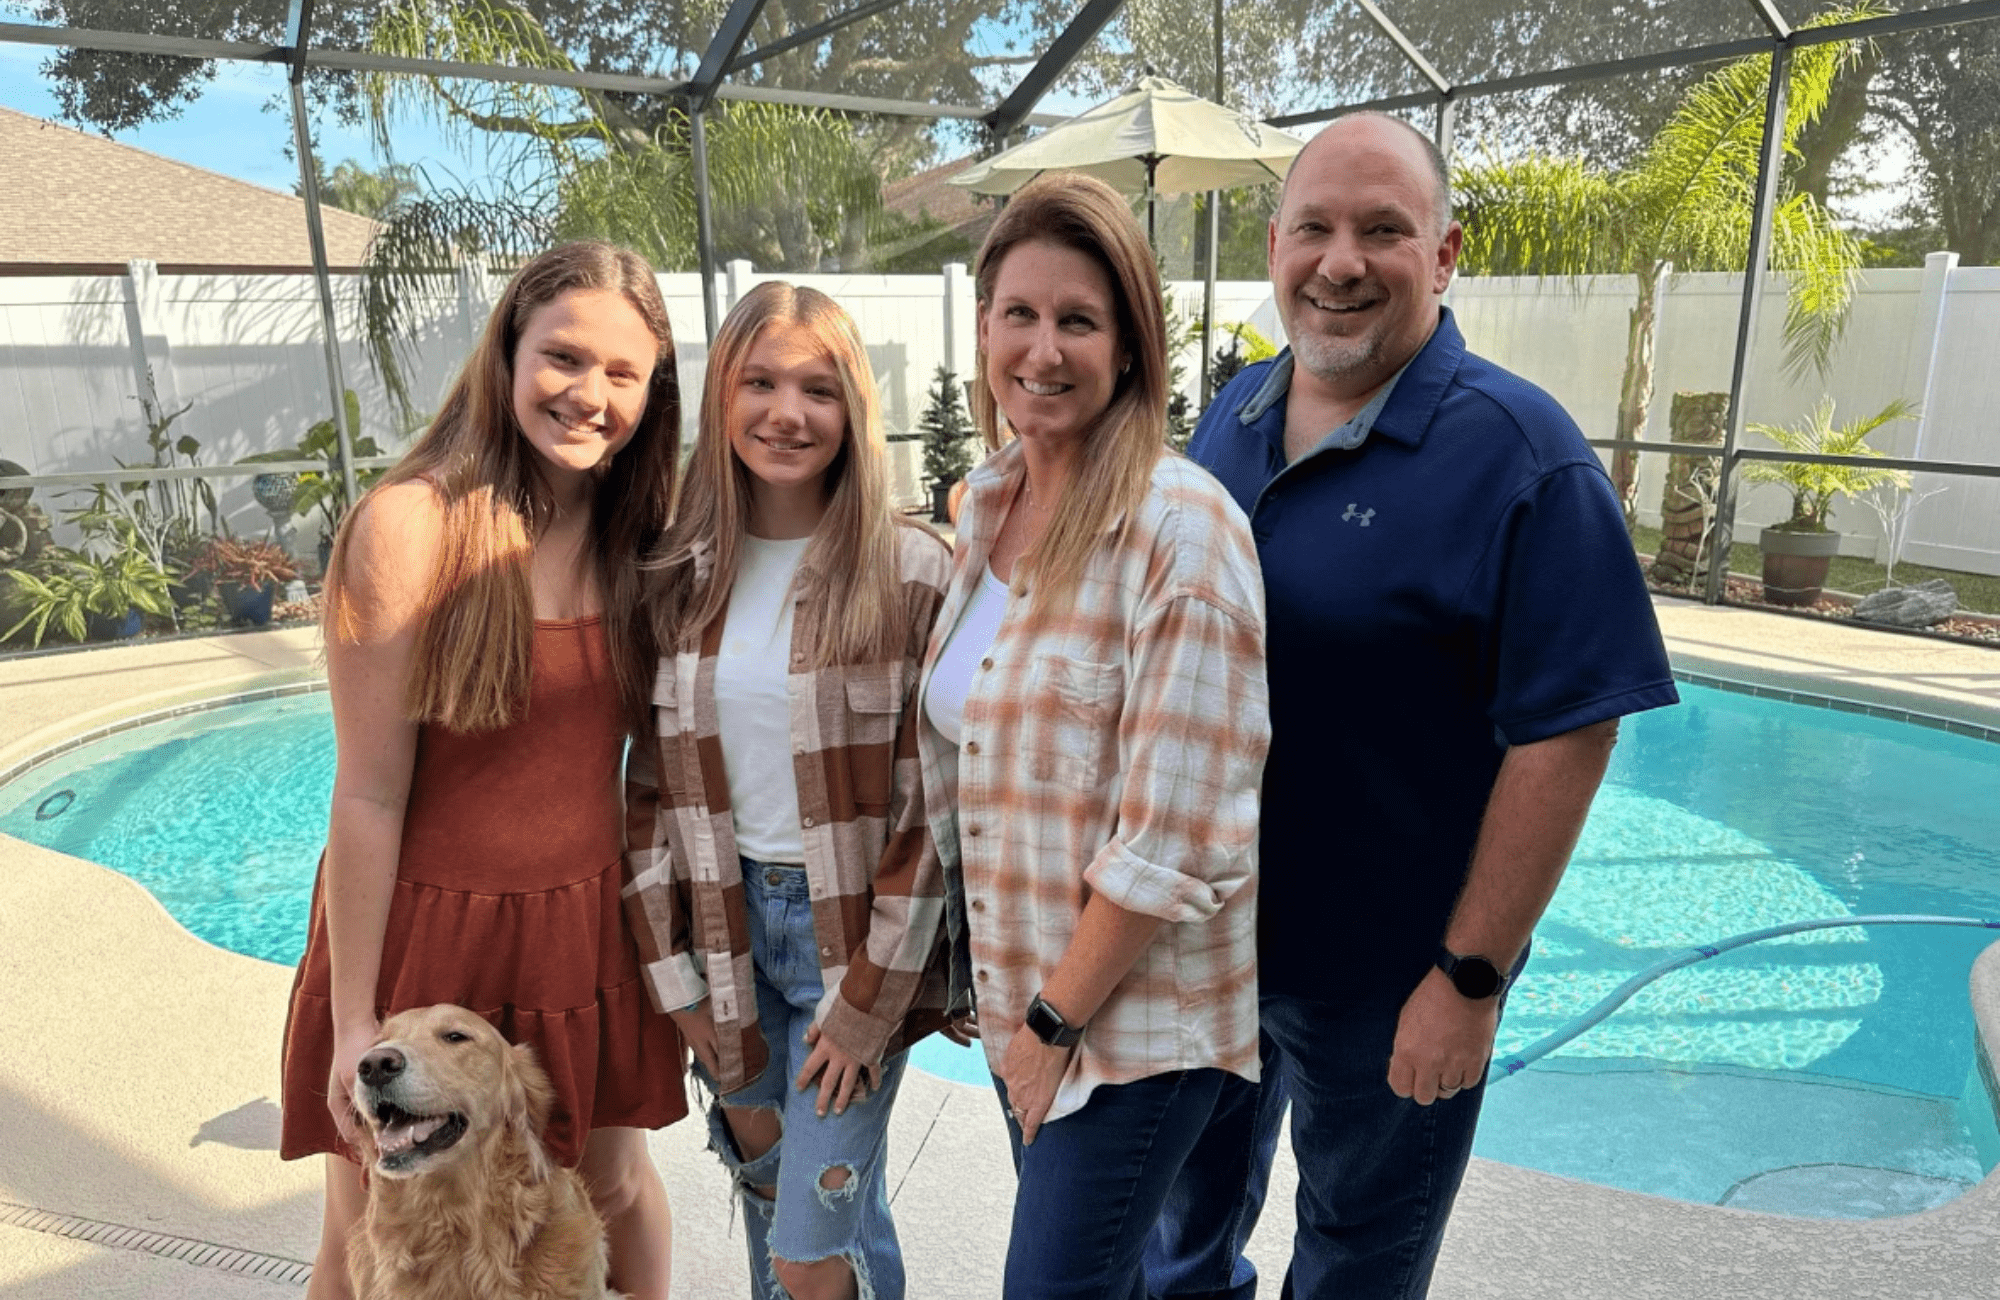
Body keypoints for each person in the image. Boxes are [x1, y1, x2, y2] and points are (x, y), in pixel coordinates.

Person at [1146, 113, 1681, 1300]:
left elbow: (1569, 731)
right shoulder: (1230, 417)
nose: (1340, 262)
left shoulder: (1520, 454)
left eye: (1381, 231)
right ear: (1274, 249)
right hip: (1208, 950)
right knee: (1178, 1241)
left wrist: (1469, 980)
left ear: (1440, 257)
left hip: (1392, 978)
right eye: (1313, 229)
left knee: (1355, 1264)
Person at [279, 241, 689, 1300]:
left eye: (621, 373)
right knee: (362, 1231)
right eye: (562, 356)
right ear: (506, 350)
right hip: (425, 938)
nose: (588, 394)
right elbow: (367, 792)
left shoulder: (642, 536)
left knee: (612, 1193)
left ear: (653, 391)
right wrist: (357, 1018)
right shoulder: (408, 526)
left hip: (580, 931)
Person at [916, 171, 1272, 1300]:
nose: (1043, 348)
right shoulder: (985, 504)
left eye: (1078, 320)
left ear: (1128, 346)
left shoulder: (1182, 528)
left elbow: (1178, 833)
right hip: (1031, 1002)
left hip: (1133, 1030)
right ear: (982, 330)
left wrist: (1052, 1020)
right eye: (1018, 314)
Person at [623, 281, 954, 1300]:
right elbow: (646, 796)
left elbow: (931, 811)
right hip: (724, 941)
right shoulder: (674, 575)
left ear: (851, 408)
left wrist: (867, 1003)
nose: (786, 413)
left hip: (852, 942)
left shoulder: (910, 571)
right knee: (786, 1209)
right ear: (721, 395)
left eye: (817, 388)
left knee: (810, 1252)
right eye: (759, 381)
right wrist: (675, 985)